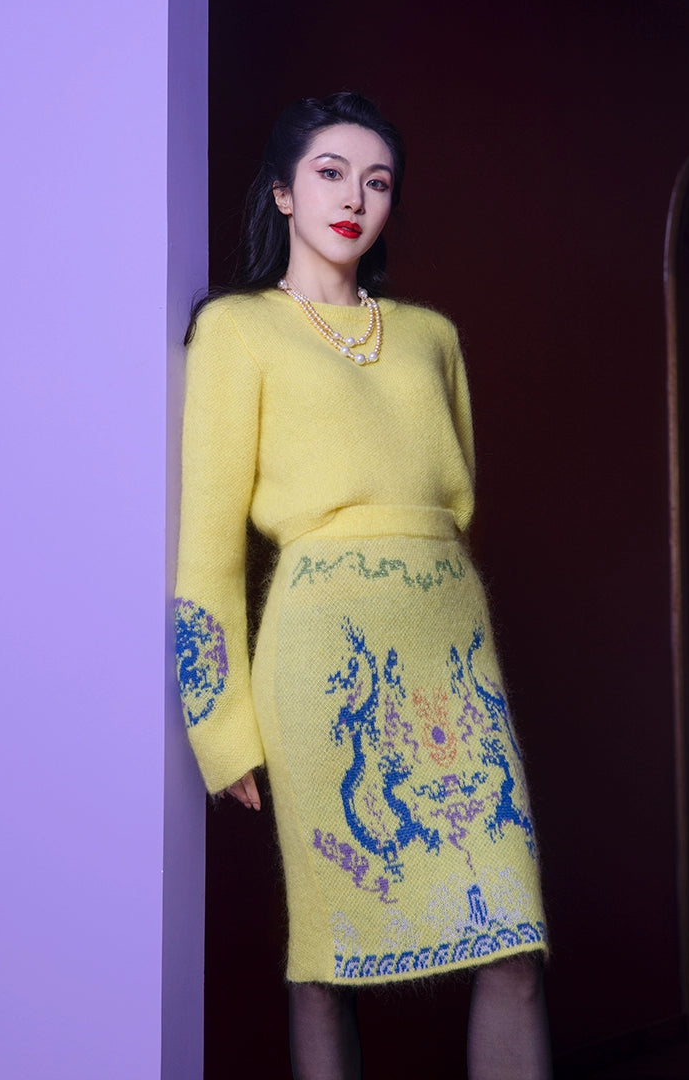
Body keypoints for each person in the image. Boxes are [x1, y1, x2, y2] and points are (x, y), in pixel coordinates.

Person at [175, 92, 551, 1079]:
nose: (354, 199)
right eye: (331, 174)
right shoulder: (236, 331)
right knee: (326, 961)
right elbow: (207, 549)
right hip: (324, 668)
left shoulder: (430, 335)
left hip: (451, 657)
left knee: (513, 951)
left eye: (376, 182)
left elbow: (455, 502)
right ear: (283, 193)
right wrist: (218, 724)